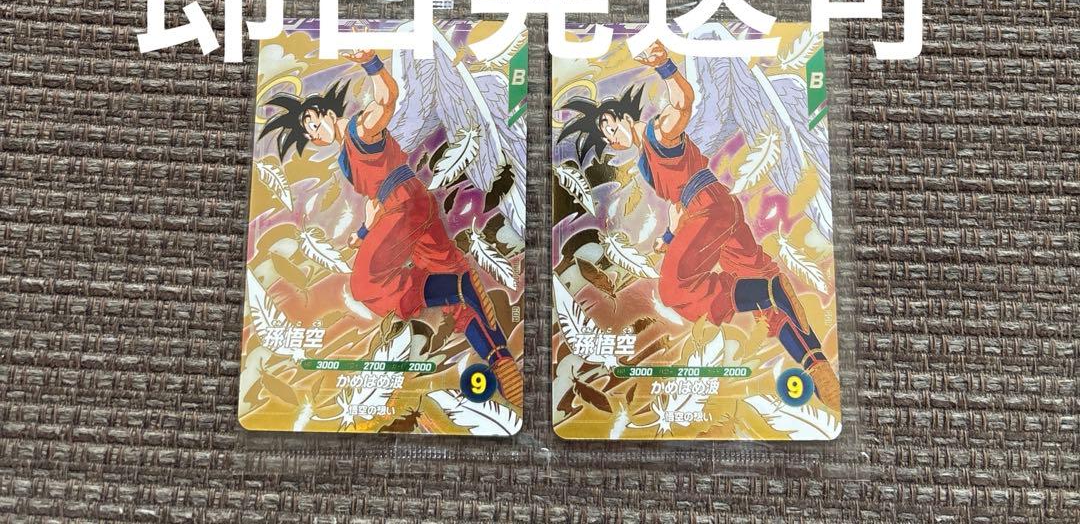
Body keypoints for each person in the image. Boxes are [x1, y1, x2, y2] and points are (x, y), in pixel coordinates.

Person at [558, 41, 840, 411]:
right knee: (766, 301)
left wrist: (664, 65)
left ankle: (768, 291)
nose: (612, 137)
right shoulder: (646, 159)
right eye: (606, 137)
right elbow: (677, 203)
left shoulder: (659, 133)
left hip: (708, 210)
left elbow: (682, 103)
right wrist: (669, 235)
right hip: (715, 211)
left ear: (624, 117)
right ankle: (817, 365)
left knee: (675, 289)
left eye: (610, 126)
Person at [263, 50, 523, 410]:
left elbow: (387, 98)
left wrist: (370, 62)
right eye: (310, 135)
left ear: (327, 113)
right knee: (457, 306)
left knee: (366, 285)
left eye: (315, 124)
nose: (316, 134)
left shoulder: (360, 129)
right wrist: (364, 234)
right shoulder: (347, 155)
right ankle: (500, 359)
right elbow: (373, 205)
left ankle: (457, 286)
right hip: (410, 207)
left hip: (404, 208)